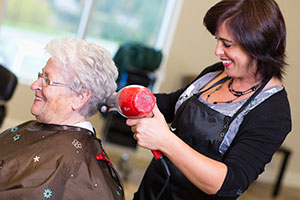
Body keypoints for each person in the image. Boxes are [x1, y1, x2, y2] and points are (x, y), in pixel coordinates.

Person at [126, 0, 292, 199]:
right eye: (217, 40)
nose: (217, 51)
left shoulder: (273, 112)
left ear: (258, 44)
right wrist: (123, 97)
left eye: (227, 44)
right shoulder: (215, 74)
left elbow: (229, 184)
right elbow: (172, 104)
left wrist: (165, 140)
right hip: (151, 191)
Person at [0, 37, 124, 199]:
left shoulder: (78, 168)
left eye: (47, 80)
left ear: (80, 96)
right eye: (40, 75)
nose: (34, 85)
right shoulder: (34, 128)